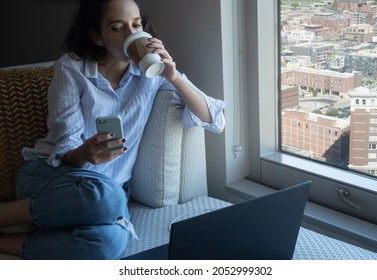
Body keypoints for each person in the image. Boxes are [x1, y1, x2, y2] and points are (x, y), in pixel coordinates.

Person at [0, 0, 225, 260]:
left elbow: (213, 119)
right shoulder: (72, 68)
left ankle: (6, 243)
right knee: (108, 198)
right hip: (52, 175)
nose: (132, 35)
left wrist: (172, 75)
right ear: (98, 37)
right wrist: (85, 153)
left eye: (137, 25)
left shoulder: (151, 76)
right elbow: (65, 148)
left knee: (110, 244)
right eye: (118, 28)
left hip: (107, 190)